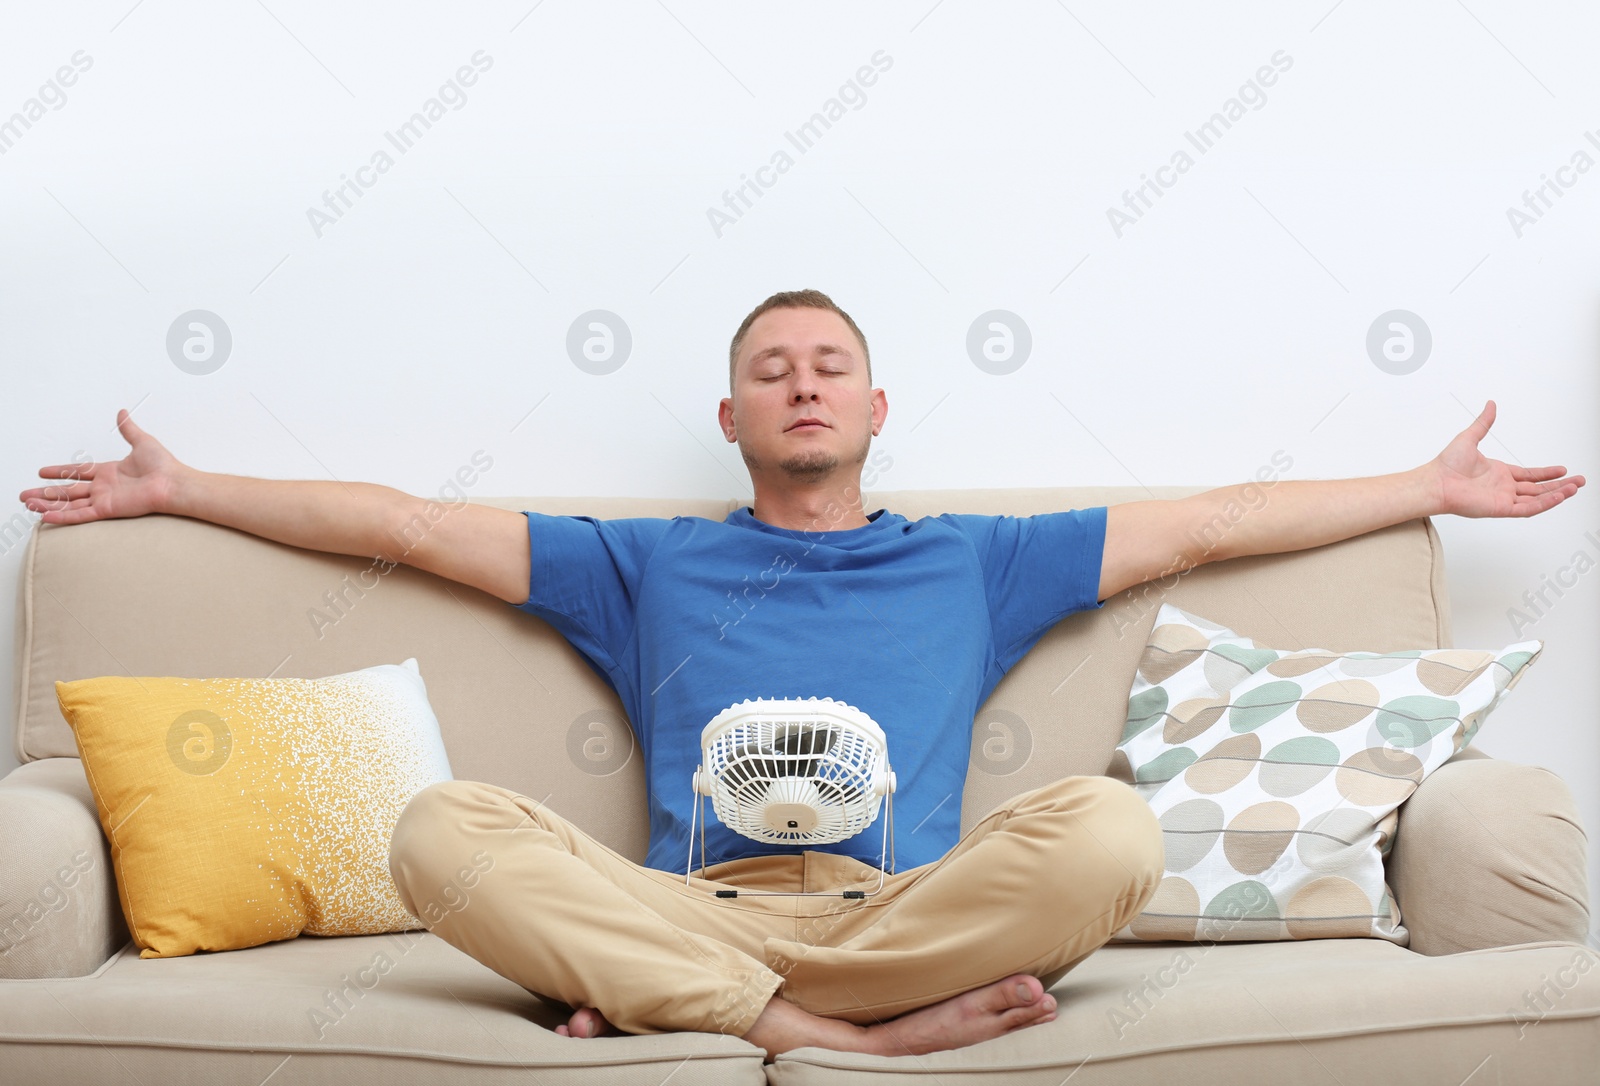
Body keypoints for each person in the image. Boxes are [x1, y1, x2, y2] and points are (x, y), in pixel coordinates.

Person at [17, 290, 1584, 1064]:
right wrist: (188, 489)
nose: (803, 381)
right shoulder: (640, 564)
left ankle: (706, 1016)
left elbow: (1220, 525)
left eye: (828, 362)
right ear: (731, 418)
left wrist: (1418, 484)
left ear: (877, 404)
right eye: (771, 367)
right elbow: (412, 529)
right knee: (438, 829)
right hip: (685, 900)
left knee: (1108, 831)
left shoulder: (981, 559)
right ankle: (830, 1039)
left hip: (907, 907)